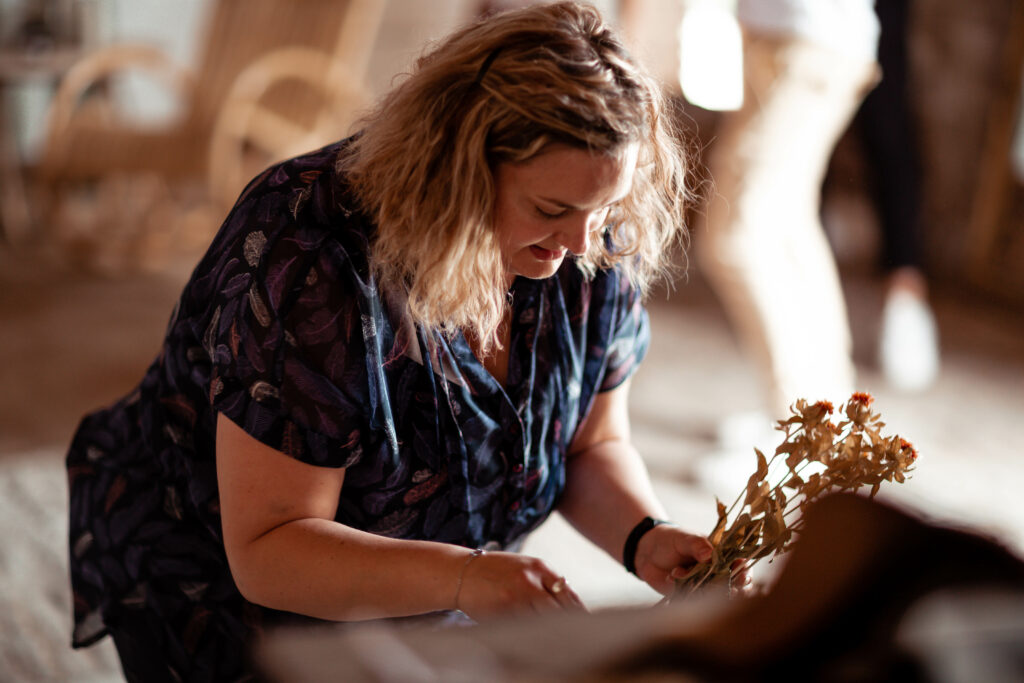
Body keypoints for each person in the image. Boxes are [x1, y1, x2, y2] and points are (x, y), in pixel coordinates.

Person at [65, 3, 731, 681]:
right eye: (552, 210)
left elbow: (590, 443)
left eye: (603, 209)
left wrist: (644, 536)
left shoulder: (589, 243)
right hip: (217, 578)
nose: (582, 244)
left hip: (428, 573)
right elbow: (270, 547)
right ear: (461, 171)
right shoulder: (309, 255)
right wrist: (465, 578)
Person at [691, 0, 881, 445]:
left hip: (802, 41)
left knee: (735, 237)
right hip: (817, 40)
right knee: (787, 226)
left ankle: (801, 434)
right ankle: (827, 410)